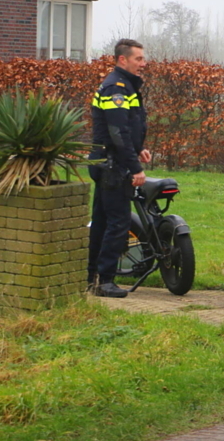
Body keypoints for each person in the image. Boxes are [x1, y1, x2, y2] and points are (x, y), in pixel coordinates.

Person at [87, 38, 151, 298]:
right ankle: (105, 282)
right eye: (138, 59)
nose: (143, 64)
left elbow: (125, 130)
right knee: (118, 223)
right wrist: (135, 167)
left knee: (102, 222)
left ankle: (93, 278)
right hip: (113, 166)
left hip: (106, 162)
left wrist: (138, 148)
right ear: (122, 59)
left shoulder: (123, 85)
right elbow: (117, 132)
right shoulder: (117, 87)